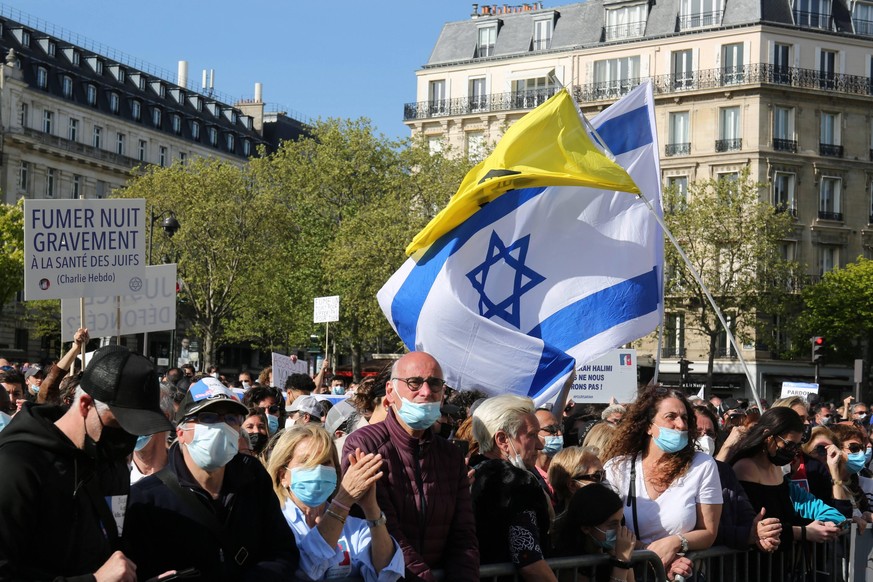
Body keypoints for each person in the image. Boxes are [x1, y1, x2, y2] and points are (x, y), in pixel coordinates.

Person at [0, 345, 173, 581]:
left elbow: (114, 547)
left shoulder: (112, 463)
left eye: (137, 428)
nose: (127, 438)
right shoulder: (16, 465)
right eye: (119, 424)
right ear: (85, 405)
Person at [123, 377, 298, 580]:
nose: (221, 427)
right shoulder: (146, 500)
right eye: (208, 417)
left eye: (231, 418)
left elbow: (283, 552)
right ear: (181, 432)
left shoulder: (253, 478)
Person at [341, 351, 478, 581]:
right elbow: (387, 531)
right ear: (390, 391)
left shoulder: (451, 455)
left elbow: (463, 535)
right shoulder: (364, 445)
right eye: (414, 382)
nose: (425, 392)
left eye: (434, 384)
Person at [603, 387, 722, 572]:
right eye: (671, 417)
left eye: (684, 418)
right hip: (630, 573)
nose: (681, 425)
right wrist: (653, 554)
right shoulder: (617, 468)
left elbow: (708, 532)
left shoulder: (703, 465)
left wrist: (676, 543)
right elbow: (607, 529)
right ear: (649, 426)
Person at [266, 424, 404, 581]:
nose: (317, 470)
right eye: (306, 462)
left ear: (336, 472)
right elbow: (304, 570)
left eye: (325, 463)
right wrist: (343, 501)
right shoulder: (274, 522)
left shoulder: (353, 527)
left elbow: (386, 573)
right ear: (283, 475)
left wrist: (371, 508)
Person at [728, 407, 841, 579]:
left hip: (780, 567)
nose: (793, 451)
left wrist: (821, 525)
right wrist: (805, 532)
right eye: (788, 444)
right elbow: (762, 527)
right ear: (767, 436)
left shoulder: (776, 469)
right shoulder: (745, 467)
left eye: (797, 446)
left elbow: (787, 516)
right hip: (752, 569)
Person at [470, 395, 555, 581]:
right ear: (502, 439)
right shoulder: (517, 482)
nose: (541, 445)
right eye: (532, 435)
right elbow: (527, 558)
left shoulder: (471, 473)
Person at [554, 483, 651, 582]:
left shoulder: (611, 552)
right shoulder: (569, 568)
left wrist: (622, 557)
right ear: (586, 528)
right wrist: (621, 561)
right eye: (612, 525)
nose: (620, 530)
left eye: (620, 522)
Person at [534, 407, 563, 494]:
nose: (559, 433)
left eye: (560, 428)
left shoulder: (565, 471)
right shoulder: (528, 475)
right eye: (551, 429)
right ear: (533, 433)